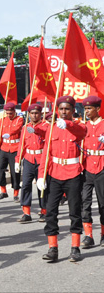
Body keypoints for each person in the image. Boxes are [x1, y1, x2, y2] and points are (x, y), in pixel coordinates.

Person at [37, 96, 87, 263]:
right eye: (61, 109)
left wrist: (68, 124)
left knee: (75, 211)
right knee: (50, 212)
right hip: (55, 174)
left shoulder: (79, 126)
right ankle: (53, 248)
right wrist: (41, 175)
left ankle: (75, 248)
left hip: (73, 174)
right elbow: (46, 154)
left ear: (73, 110)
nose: (64, 112)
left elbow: (81, 133)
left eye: (67, 109)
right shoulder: (51, 129)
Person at [15, 103, 48, 223]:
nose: (34, 116)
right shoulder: (25, 127)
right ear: (29, 114)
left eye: (36, 113)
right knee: (26, 185)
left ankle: (44, 211)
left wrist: (35, 130)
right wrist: (18, 160)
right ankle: (26, 212)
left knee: (42, 185)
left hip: (41, 158)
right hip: (29, 158)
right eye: (32, 113)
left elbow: (44, 133)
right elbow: (21, 144)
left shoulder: (46, 125)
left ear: (41, 114)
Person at [81, 96, 104, 248]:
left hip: (102, 167)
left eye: (90, 108)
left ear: (98, 109)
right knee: (85, 202)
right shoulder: (83, 126)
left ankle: (103, 234)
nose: (87, 111)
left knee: (103, 204)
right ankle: (89, 236)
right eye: (86, 109)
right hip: (87, 167)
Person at [0, 102, 23, 202]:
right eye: (7, 113)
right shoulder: (2, 121)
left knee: (14, 171)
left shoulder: (19, 119)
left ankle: (16, 192)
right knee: (0, 169)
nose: (9, 115)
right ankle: (3, 191)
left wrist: (9, 133)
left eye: (10, 113)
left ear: (14, 111)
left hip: (15, 148)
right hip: (4, 147)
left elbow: (17, 129)